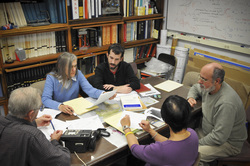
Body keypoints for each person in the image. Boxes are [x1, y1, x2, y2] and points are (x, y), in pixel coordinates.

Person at [187, 62, 247, 166]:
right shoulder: (208, 86)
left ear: (217, 81)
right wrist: (191, 97)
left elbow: (219, 137)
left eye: (204, 79)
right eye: (200, 77)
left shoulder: (226, 103)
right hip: (207, 132)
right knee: (180, 142)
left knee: (190, 154)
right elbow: (195, 87)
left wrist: (196, 143)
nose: (199, 81)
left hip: (227, 143)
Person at [0, 87, 70, 166]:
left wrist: (35, 122)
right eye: (39, 108)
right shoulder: (32, 135)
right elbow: (63, 161)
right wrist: (55, 141)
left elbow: (14, 126)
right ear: (30, 114)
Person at [120, 95, 199, 166]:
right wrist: (151, 131)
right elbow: (170, 144)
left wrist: (126, 127)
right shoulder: (193, 134)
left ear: (165, 120)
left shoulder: (160, 150)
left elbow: (135, 149)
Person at [42, 52, 108, 115]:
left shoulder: (78, 73)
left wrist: (103, 94)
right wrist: (60, 106)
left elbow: (90, 90)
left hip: (74, 110)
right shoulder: (51, 78)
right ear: (60, 66)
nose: (74, 70)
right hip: (57, 111)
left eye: (75, 66)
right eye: (70, 67)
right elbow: (45, 99)